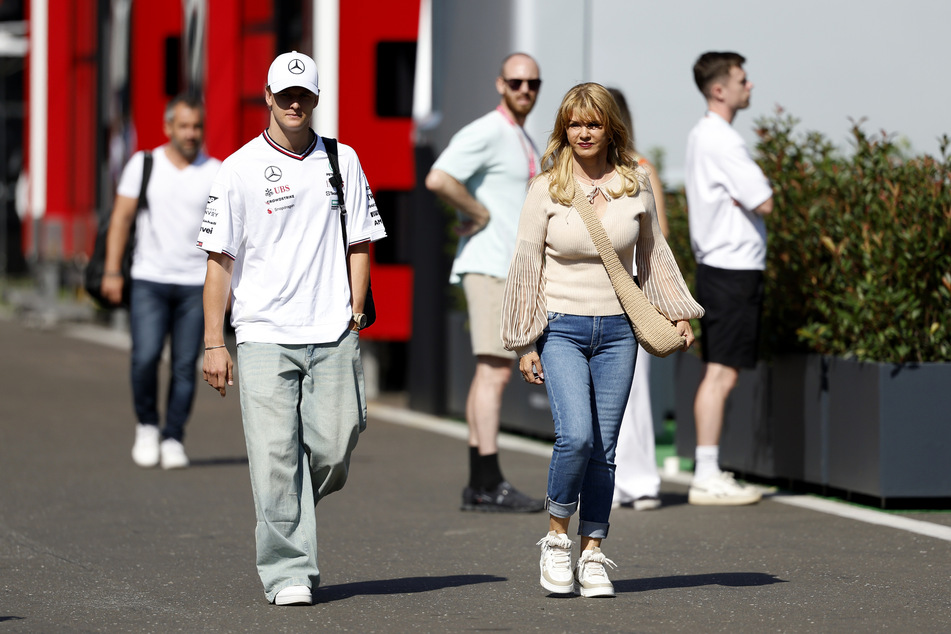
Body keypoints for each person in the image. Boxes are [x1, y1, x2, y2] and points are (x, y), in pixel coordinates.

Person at [199, 51, 386, 606]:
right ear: (268, 96)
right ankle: (288, 573)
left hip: (332, 329)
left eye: (304, 94)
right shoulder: (237, 169)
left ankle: (288, 512)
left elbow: (360, 242)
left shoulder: (342, 159)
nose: (295, 102)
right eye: (286, 94)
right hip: (261, 333)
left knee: (334, 445)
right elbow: (219, 263)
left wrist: (355, 312)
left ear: (317, 98)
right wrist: (215, 342)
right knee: (275, 457)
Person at [501, 83, 703, 597]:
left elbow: (655, 253)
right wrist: (526, 342)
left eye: (593, 123)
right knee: (577, 438)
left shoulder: (634, 186)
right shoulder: (545, 188)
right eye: (574, 123)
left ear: (610, 127)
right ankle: (555, 539)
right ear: (563, 129)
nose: (584, 132)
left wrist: (677, 313)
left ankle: (593, 551)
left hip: (618, 331)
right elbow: (525, 266)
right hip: (561, 328)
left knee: (606, 450)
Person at [425, 53, 545, 513]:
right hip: (492, 266)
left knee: (488, 372)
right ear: (500, 84)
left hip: (503, 269)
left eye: (533, 82)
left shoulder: (518, 134)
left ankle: (480, 482)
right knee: (494, 372)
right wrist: (478, 213)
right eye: (516, 82)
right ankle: (488, 481)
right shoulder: (489, 130)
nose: (525, 90)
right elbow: (438, 177)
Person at [102, 93, 221, 470]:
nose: (191, 133)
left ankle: (173, 436)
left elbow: (229, 235)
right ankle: (147, 426)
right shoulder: (144, 163)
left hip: (194, 284)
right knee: (145, 357)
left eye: (197, 126)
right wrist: (111, 270)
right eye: (183, 126)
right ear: (168, 127)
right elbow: (121, 218)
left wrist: (227, 289)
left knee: (186, 364)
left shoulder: (216, 170)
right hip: (149, 278)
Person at [685, 52, 774, 506]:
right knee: (721, 372)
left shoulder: (705, 136)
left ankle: (707, 468)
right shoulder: (722, 141)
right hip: (731, 270)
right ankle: (706, 473)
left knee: (719, 370)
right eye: (742, 79)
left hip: (722, 268)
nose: (750, 86)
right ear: (719, 89)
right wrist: (753, 200)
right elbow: (764, 200)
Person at [606, 88, 668, 512]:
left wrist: (663, 298)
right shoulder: (569, 171)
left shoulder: (640, 169)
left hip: (633, 291)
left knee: (634, 388)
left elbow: (658, 242)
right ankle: (604, 479)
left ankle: (640, 478)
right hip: (584, 293)